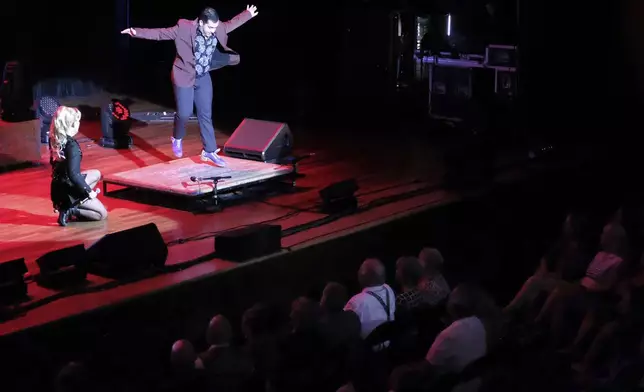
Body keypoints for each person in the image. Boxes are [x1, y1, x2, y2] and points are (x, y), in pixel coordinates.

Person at [121, 5, 259, 167]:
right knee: (185, 113)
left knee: (205, 114)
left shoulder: (217, 27)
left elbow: (230, 24)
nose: (213, 31)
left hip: (202, 75)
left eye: (215, 27)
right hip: (183, 75)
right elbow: (159, 33)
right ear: (200, 23)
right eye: (210, 27)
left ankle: (209, 150)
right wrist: (135, 31)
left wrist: (247, 14)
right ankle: (177, 137)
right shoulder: (184, 28)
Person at [49, 106, 108, 226]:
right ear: (71, 125)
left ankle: (76, 201)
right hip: (69, 187)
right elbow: (74, 175)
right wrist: (88, 192)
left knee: (96, 173)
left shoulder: (54, 139)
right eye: (77, 122)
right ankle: (69, 210)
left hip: (58, 186)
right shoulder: (72, 147)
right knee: (102, 214)